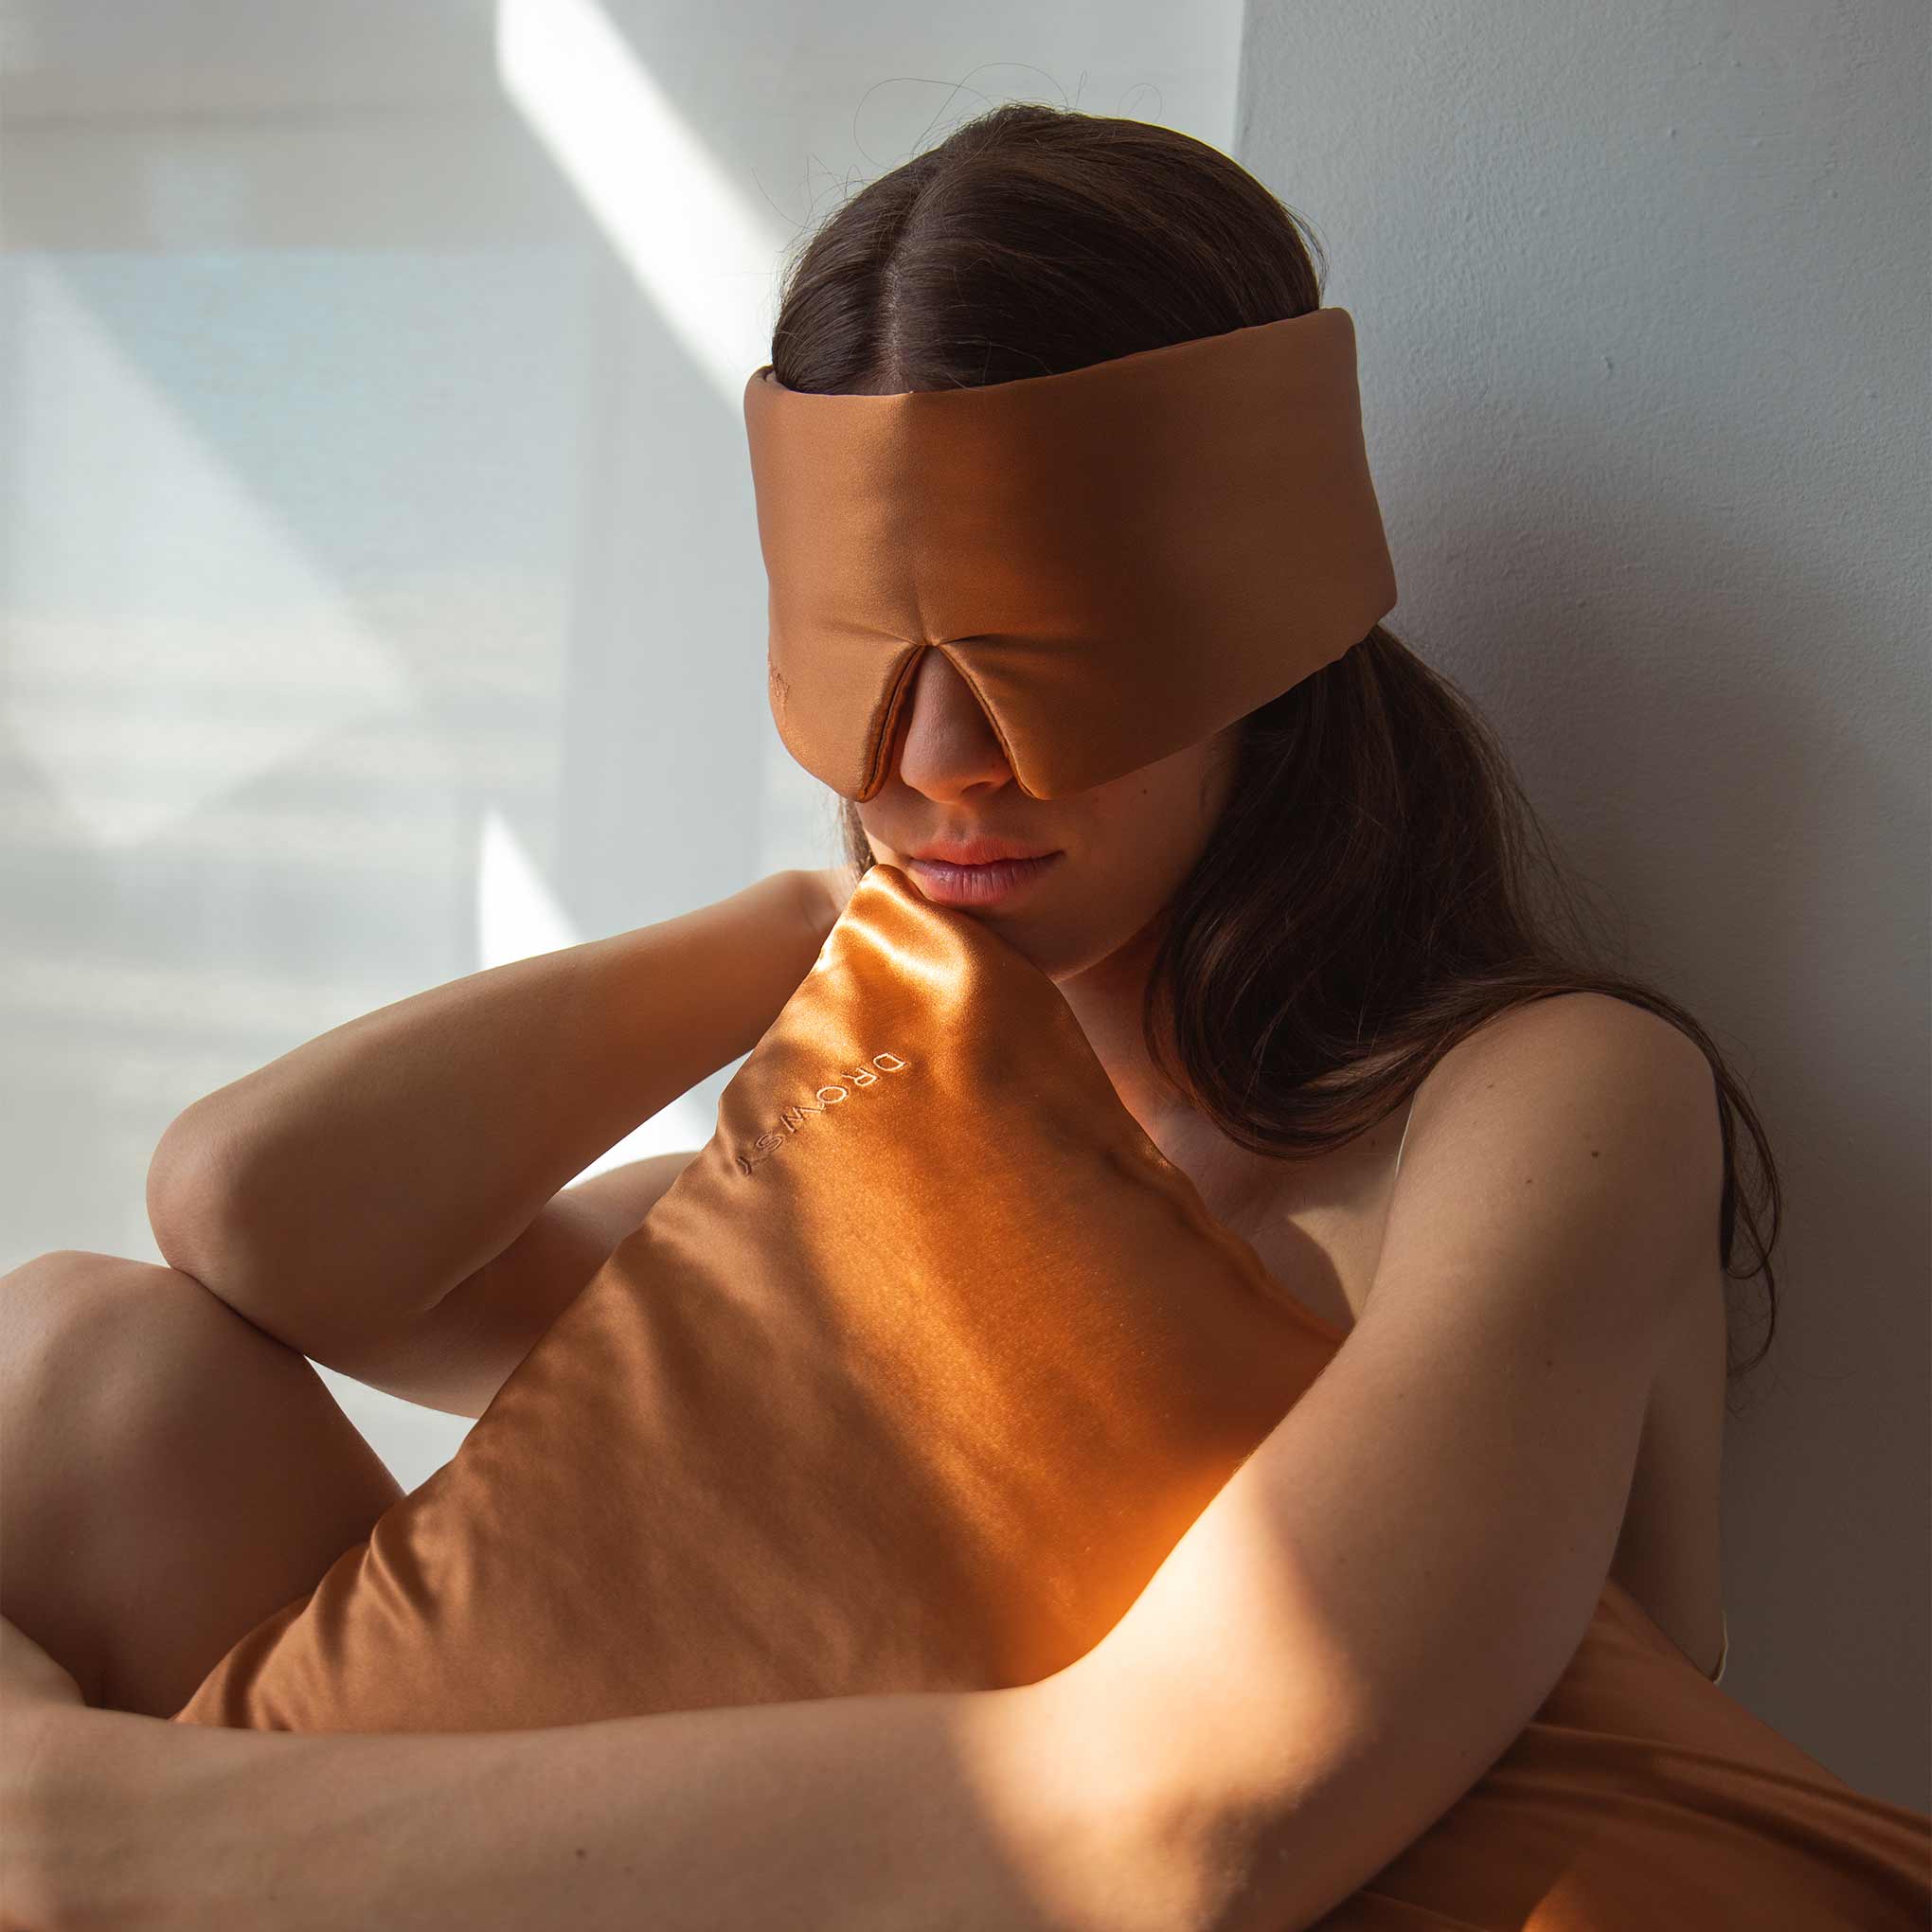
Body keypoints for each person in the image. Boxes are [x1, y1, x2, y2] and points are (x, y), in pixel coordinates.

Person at [3, 101, 1925, 1930]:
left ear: (1263, 611)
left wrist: (116, 1846)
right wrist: (792, 925)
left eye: (1035, 652)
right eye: (871, 659)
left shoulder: (1554, 1104)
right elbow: (256, 1225)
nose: (943, 762)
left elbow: (1187, 1822)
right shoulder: (871, 1133)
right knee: (75, 1367)